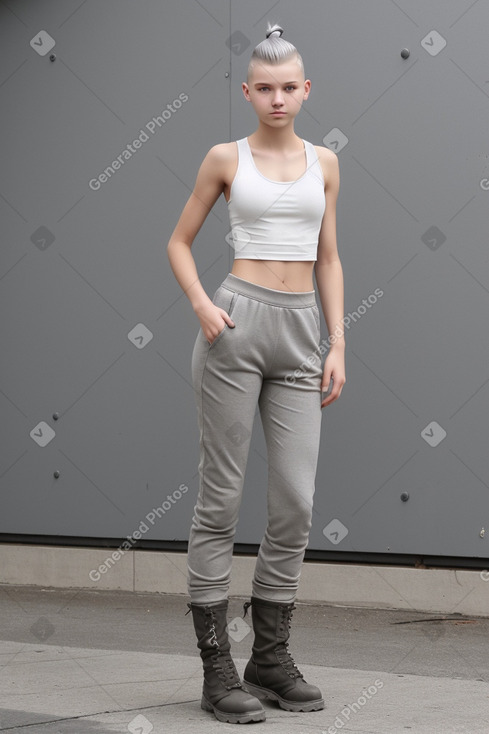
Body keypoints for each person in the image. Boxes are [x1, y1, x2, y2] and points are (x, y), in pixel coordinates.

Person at [167, 21, 345, 724]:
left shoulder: (325, 163)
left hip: (302, 331)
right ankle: (217, 672)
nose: (277, 98)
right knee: (219, 500)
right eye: (263, 88)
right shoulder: (223, 158)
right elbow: (178, 242)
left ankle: (268, 658)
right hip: (235, 328)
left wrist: (337, 342)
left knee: (295, 503)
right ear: (248, 92)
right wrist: (202, 304)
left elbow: (329, 257)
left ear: (306, 90)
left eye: (287, 87)